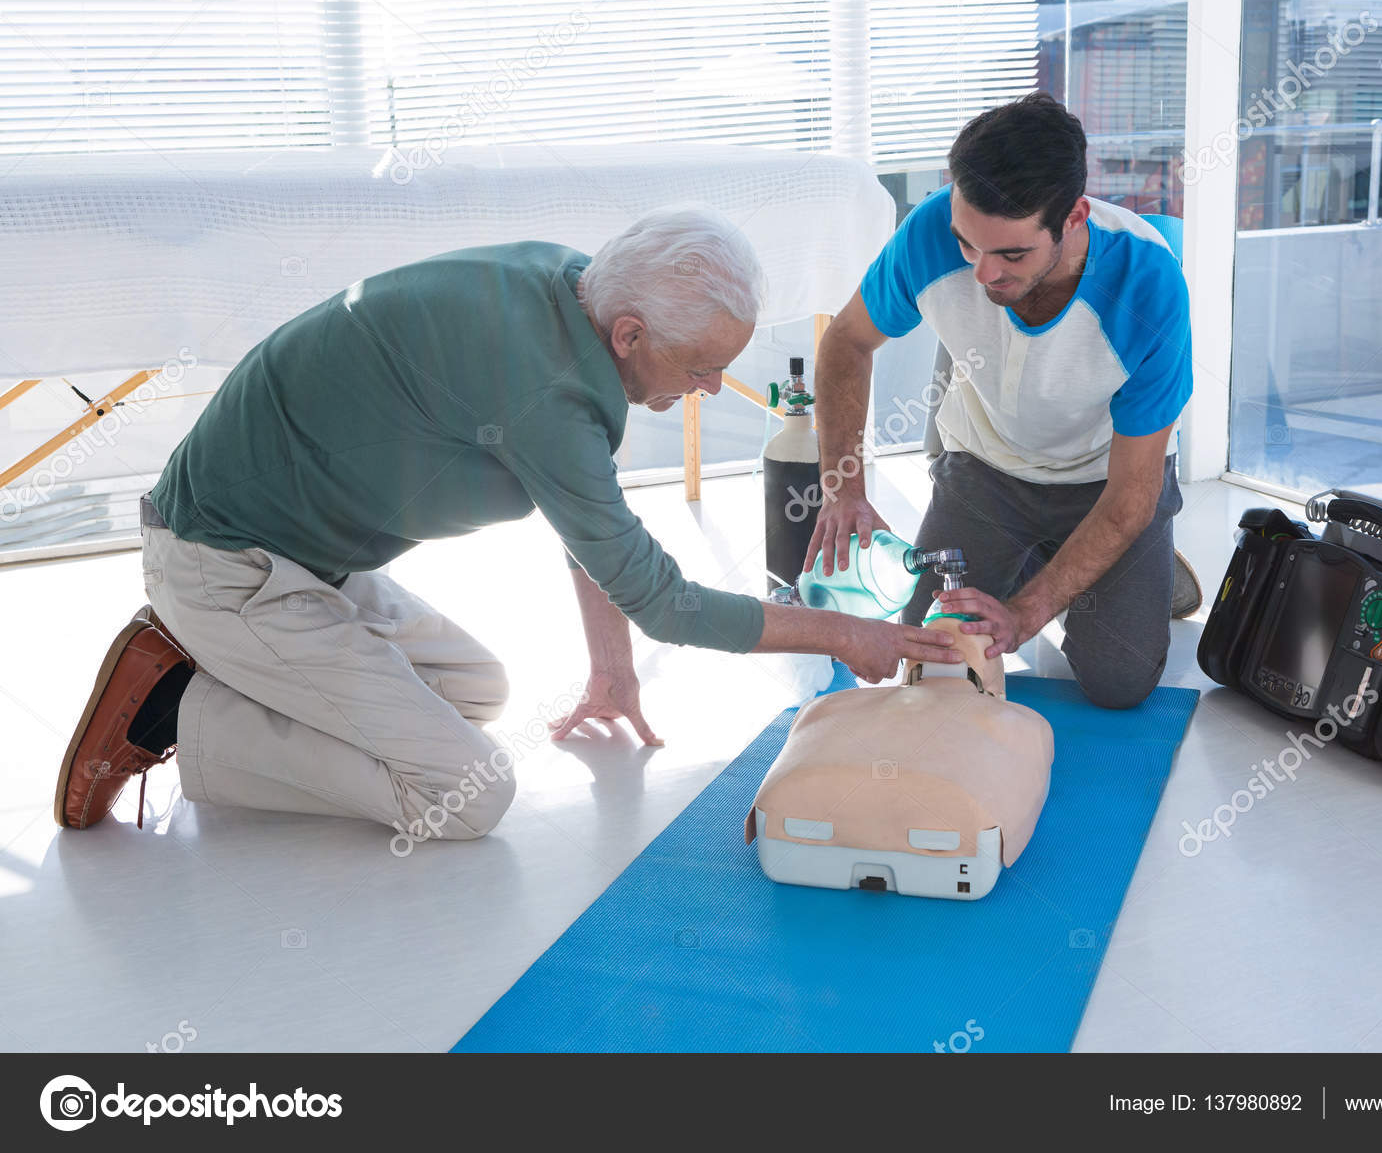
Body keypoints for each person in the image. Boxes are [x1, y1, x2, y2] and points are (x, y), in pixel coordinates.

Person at [56, 206, 960, 837]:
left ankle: (241, 672)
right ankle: (177, 706)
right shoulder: (549, 396)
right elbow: (666, 603)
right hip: (226, 563)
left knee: (479, 689)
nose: (712, 388)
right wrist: (847, 630)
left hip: (302, 552)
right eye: (701, 366)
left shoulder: (569, 283)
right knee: (460, 799)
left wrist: (610, 673)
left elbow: (583, 511)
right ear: (632, 334)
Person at [805, 93, 1193, 709]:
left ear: (1073, 219)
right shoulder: (929, 234)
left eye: (1012, 254)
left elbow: (1129, 497)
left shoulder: (1147, 286)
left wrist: (1025, 613)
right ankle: (1041, 557)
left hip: (1105, 484)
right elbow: (846, 343)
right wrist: (842, 488)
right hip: (986, 472)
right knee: (927, 651)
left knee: (1119, 682)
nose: (983, 274)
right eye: (968, 245)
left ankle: (1135, 565)